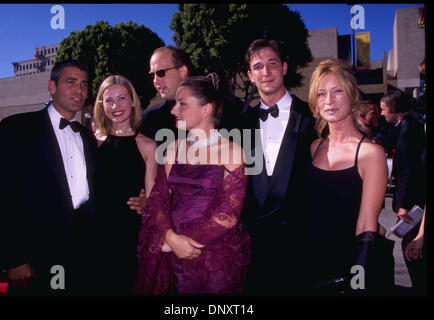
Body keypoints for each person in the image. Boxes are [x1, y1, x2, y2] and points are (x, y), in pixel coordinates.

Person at [136, 75, 250, 294]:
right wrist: (169, 238)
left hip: (212, 257)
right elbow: (158, 198)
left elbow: (228, 214)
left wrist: (184, 243)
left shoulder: (233, 151)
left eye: (182, 104)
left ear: (206, 110)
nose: (173, 110)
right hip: (169, 249)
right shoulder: (174, 148)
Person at [0, 60, 97, 295]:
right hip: (35, 259)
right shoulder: (18, 129)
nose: (79, 90)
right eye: (71, 83)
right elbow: (0, 196)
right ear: (52, 87)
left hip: (82, 256)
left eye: (84, 85)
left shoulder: (87, 138)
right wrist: (14, 257)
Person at [306, 58, 392, 295]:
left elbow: (367, 224)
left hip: (347, 268)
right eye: (321, 94)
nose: (329, 101)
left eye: (337, 91)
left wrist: (357, 280)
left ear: (353, 97)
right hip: (309, 263)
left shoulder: (371, 153)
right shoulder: (314, 147)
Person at [239, 38, 317, 295]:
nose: (266, 72)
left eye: (272, 64)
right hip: (255, 249)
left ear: (284, 67)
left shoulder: (313, 118)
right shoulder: (240, 123)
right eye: (258, 66)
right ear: (250, 76)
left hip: (303, 245)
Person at [93, 74, 157, 295]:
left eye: (122, 98)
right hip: (93, 239)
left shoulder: (148, 146)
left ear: (132, 101)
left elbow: (153, 202)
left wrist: (146, 202)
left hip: (130, 240)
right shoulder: (90, 142)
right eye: (108, 100)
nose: (116, 106)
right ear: (101, 105)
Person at [380, 90, 427, 295]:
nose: (382, 114)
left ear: (393, 108)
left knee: (413, 251)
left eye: (383, 109)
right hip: (415, 201)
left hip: (413, 204)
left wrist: (403, 205)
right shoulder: (410, 125)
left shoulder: (408, 130)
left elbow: (409, 171)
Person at [141, 46, 192, 143]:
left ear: (182, 71)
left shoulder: (221, 111)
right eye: (153, 75)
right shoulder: (148, 120)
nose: (155, 80)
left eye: (161, 73)